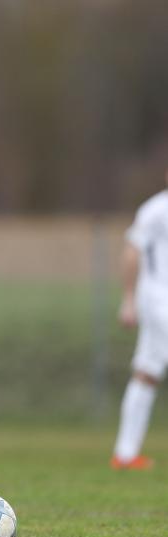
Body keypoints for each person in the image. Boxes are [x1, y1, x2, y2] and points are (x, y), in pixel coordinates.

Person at [112, 170, 168, 470]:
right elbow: (132, 252)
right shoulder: (156, 210)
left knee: (147, 372)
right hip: (160, 300)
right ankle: (125, 453)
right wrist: (129, 300)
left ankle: (125, 454)